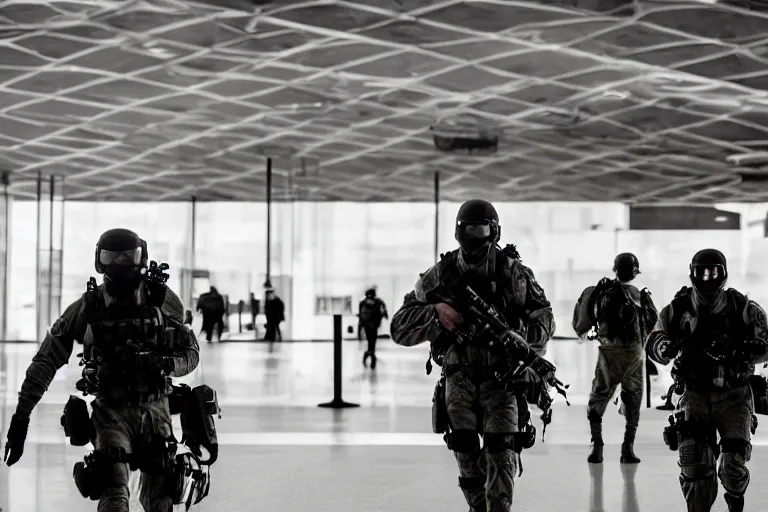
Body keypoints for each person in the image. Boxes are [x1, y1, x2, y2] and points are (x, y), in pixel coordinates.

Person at [3, 228, 200, 512]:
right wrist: (20, 420)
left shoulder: (162, 300)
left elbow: (190, 353)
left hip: (155, 410)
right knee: (114, 494)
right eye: (112, 257)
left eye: (126, 257)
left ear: (140, 257)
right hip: (111, 413)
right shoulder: (89, 306)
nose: (119, 263)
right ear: (100, 260)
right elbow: (45, 362)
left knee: (160, 500)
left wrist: (167, 364)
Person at [390, 199, 555, 512]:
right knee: (466, 458)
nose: (474, 237)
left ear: (493, 232)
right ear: (458, 232)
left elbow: (544, 317)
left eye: (480, 229)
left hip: (503, 379)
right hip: (460, 379)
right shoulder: (441, 275)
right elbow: (399, 327)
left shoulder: (514, 273)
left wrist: (524, 346)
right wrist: (435, 312)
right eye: (468, 229)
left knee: (502, 455)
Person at [647, 248, 768, 512]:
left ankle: (736, 500)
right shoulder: (677, 309)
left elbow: (766, 342)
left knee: (732, 466)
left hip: (734, 396)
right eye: (702, 271)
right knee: (696, 467)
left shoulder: (744, 309)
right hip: (694, 394)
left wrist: (744, 349)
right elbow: (654, 340)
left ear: (723, 273)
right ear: (692, 272)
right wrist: (666, 347)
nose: (707, 277)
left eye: (713, 271)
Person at [572, 253, 658, 464]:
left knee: (598, 397)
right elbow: (652, 325)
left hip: (609, 352)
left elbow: (582, 324)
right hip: (634, 355)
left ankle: (597, 447)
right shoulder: (640, 295)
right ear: (635, 272)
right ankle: (627, 449)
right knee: (633, 399)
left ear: (615, 269)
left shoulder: (600, 292)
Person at [359, 287, 388, 369]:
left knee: (370, 342)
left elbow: (361, 316)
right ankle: (371, 358)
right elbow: (383, 311)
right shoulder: (378, 302)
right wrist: (383, 316)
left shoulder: (363, 302)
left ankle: (369, 356)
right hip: (374, 325)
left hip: (367, 326)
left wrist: (360, 327)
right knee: (372, 343)